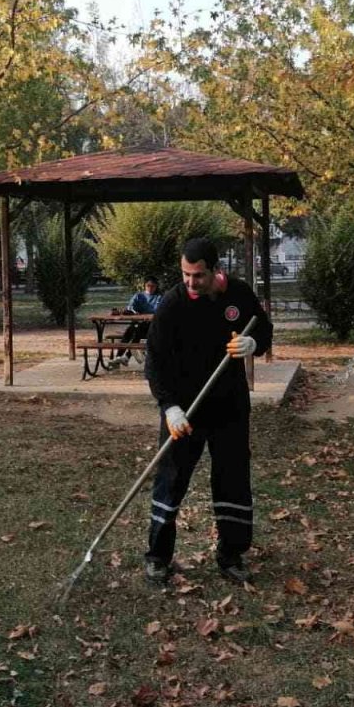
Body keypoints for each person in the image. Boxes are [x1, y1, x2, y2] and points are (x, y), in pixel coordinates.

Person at [143, 238, 272, 585]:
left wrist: (254, 344)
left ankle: (230, 554)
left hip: (229, 407)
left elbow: (265, 329)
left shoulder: (240, 295)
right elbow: (153, 362)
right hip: (185, 410)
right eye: (185, 274)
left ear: (216, 270)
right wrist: (169, 408)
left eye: (198, 275)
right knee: (171, 479)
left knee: (232, 477)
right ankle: (158, 556)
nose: (190, 282)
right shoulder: (173, 304)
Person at [110, 276, 161, 365]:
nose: (150, 288)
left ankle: (126, 357)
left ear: (156, 287)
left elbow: (159, 310)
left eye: (153, 286)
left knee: (138, 332)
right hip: (138, 323)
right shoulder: (139, 296)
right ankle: (118, 357)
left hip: (152, 326)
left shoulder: (159, 297)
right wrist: (133, 311)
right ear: (145, 286)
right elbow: (131, 307)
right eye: (148, 285)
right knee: (129, 331)